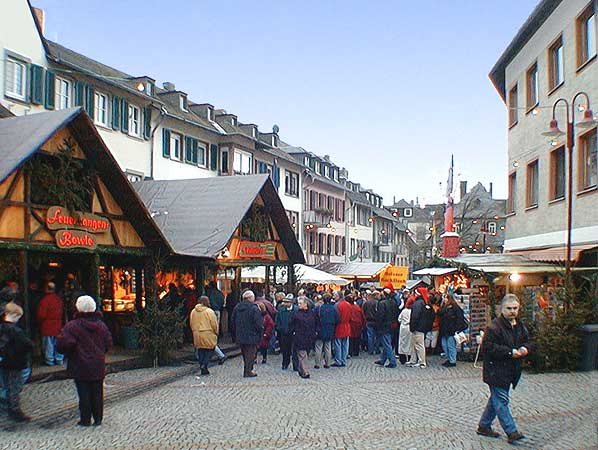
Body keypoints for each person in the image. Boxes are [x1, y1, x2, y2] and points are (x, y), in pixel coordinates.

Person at [477, 294, 531, 444]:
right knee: (501, 400)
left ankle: (484, 425)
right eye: (509, 308)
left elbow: (528, 341)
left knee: (496, 400)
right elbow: (488, 347)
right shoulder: (494, 327)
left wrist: (525, 349)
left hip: (510, 370)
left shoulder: (520, 326)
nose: (512, 311)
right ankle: (511, 431)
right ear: (502, 309)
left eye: (515, 308)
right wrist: (509, 352)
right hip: (496, 370)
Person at [57, 296, 112, 427]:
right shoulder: (101, 325)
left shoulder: (72, 326)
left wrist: (69, 352)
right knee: (97, 392)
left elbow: (63, 344)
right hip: (97, 364)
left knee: (84, 393)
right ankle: (98, 418)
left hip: (79, 364)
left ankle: (85, 419)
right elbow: (108, 342)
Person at [0, 302, 34, 422]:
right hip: (15, 362)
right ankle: (14, 410)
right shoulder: (15, 330)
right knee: (15, 385)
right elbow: (27, 344)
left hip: (4, 361)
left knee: (6, 384)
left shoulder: (2, 327)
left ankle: (7, 406)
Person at [231, 290, 263, 378]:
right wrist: (260, 333)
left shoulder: (237, 307)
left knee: (245, 353)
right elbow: (258, 323)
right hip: (252, 335)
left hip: (240, 334)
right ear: (250, 298)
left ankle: (247, 369)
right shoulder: (254, 308)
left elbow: (232, 322)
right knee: (251, 354)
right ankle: (248, 371)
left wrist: (234, 334)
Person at [36, 282, 64, 366]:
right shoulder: (58, 299)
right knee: (58, 343)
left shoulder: (44, 300)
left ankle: (49, 360)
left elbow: (41, 315)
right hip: (58, 324)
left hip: (47, 325)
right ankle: (59, 359)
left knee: (48, 344)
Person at [288, 297, 317, 379]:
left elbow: (315, 323)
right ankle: (305, 371)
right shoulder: (296, 313)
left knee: (304, 353)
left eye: (300, 303)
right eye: (298, 303)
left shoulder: (311, 313)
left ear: (306, 304)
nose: (299, 305)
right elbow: (291, 324)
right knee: (302, 354)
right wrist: (292, 332)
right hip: (299, 336)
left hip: (309, 336)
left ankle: (301, 370)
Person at [189, 296, 219, 375]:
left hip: (196, 333)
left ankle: (202, 367)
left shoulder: (193, 311)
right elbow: (214, 324)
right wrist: (216, 332)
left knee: (201, 350)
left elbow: (191, 322)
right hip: (207, 333)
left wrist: (194, 330)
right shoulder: (209, 312)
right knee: (210, 349)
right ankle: (204, 364)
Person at [437, 293, 467, 367]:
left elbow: (460, 318)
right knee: (444, 345)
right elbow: (439, 312)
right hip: (444, 330)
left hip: (451, 330)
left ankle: (452, 361)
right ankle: (449, 358)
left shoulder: (455, 307)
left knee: (451, 346)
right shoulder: (445, 307)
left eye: (446, 298)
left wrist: (457, 328)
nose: (445, 299)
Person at [408, 288, 433, 368]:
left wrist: (412, 327)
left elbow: (415, 316)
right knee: (417, 344)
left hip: (418, 327)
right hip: (423, 327)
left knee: (418, 345)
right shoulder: (427, 303)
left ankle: (421, 361)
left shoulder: (417, 303)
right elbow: (432, 316)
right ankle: (414, 360)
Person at [374, 288, 398, 368]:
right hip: (392, 326)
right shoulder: (394, 302)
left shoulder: (382, 303)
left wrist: (378, 326)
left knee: (387, 344)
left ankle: (392, 362)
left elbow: (380, 316)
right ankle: (382, 360)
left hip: (384, 326)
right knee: (387, 343)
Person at [313, 294, 339, 369]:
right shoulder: (333, 308)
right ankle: (327, 363)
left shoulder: (319, 308)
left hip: (320, 329)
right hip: (330, 329)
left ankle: (317, 363)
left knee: (318, 346)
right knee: (328, 346)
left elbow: (314, 319)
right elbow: (337, 319)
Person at [275, 295, 298, 371]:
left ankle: (296, 365)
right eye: (284, 302)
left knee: (294, 350)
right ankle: (285, 363)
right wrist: (280, 329)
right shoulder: (281, 310)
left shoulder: (296, 310)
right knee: (285, 350)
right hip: (284, 333)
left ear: (291, 302)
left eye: (287, 302)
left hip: (294, 333)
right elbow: (277, 320)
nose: (285, 303)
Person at [332, 294, 352, 367]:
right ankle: (343, 360)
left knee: (338, 344)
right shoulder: (348, 304)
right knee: (345, 344)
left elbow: (336, 317)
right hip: (347, 326)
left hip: (339, 326)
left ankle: (338, 360)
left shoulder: (337, 305)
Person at [398, 297, 414, 365]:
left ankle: (402, 358)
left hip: (403, 327)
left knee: (402, 342)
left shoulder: (404, 311)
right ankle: (410, 356)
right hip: (409, 327)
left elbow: (399, 319)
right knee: (409, 342)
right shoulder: (413, 311)